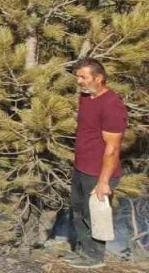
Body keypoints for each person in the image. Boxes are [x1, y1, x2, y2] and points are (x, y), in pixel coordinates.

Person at [65, 59, 128, 269]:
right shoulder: (86, 97)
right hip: (81, 167)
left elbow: (113, 149)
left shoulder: (112, 105)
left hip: (99, 172)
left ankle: (94, 258)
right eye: (78, 77)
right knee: (78, 211)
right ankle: (83, 251)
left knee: (93, 215)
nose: (79, 81)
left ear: (98, 78)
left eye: (83, 77)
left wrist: (103, 182)